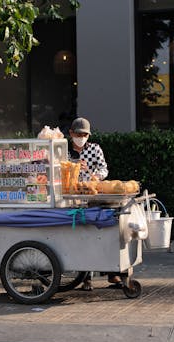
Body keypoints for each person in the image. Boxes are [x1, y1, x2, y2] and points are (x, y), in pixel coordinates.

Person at [67, 117, 121, 291]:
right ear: (71, 133)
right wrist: (73, 166)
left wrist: (96, 176)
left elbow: (104, 168)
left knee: (98, 233)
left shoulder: (95, 149)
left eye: (84, 134)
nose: (81, 137)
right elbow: (58, 168)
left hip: (92, 196)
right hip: (72, 197)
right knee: (82, 236)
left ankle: (112, 273)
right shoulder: (64, 151)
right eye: (78, 134)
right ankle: (86, 277)